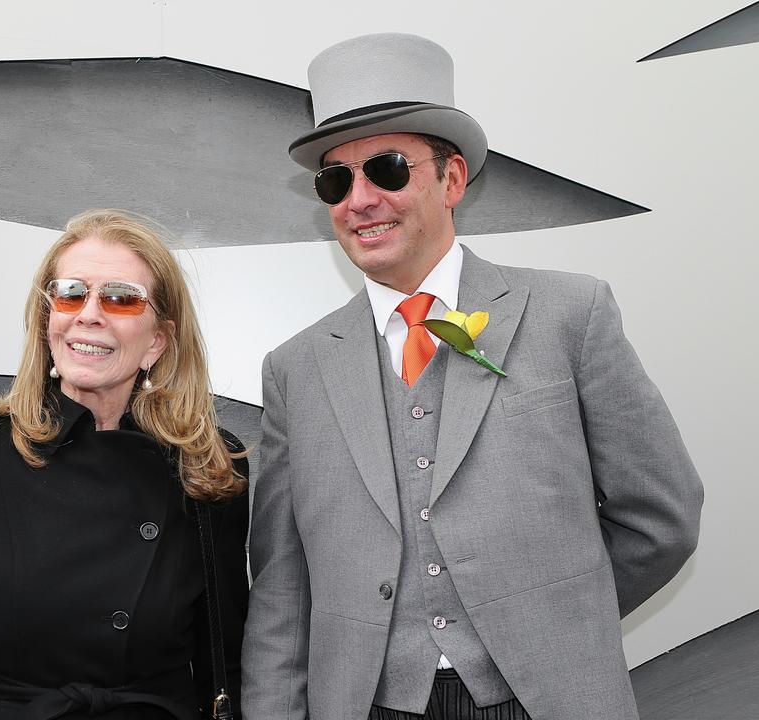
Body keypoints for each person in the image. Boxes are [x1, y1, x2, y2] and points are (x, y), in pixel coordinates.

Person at [241, 34, 703, 720]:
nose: (360, 199)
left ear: (451, 179)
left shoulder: (570, 315)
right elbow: (282, 587)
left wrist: (551, 619)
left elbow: (661, 517)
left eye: (388, 169)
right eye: (336, 180)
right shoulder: (294, 370)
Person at [0, 209, 249, 719]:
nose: (90, 314)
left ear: (158, 340)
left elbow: (225, 659)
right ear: (48, 319)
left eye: (122, 298)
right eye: (71, 293)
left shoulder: (208, 463)